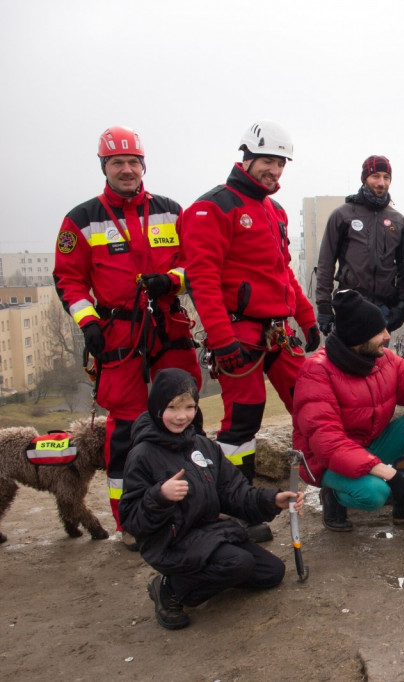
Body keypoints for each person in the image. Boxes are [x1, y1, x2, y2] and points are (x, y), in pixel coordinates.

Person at [52, 126, 202, 549]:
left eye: (133, 162)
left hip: (168, 324)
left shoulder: (172, 211)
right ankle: (130, 522)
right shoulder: (82, 220)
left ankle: (196, 505)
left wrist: (170, 280)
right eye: (117, 162)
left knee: (187, 416)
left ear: (143, 166)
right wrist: (89, 323)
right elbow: (68, 279)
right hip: (118, 332)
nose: (126, 169)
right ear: (104, 167)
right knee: (126, 431)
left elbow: (199, 264)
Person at [180, 120, 317, 542]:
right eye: (267, 162)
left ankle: (331, 485)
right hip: (238, 332)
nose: (274, 171)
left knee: (312, 402)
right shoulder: (211, 208)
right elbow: (202, 280)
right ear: (247, 157)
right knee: (242, 421)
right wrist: (222, 341)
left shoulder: (273, 211)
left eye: (280, 164)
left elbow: (283, 274)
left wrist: (307, 318)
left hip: (277, 331)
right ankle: (234, 506)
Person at [120, 368, 303, 630]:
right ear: (157, 407)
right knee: (238, 563)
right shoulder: (142, 454)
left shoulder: (202, 445)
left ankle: (212, 573)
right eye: (172, 407)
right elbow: (131, 520)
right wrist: (159, 497)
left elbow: (234, 492)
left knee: (271, 573)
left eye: (189, 407)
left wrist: (273, 500)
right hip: (171, 541)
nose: (181, 416)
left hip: (209, 533)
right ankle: (169, 588)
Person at [293, 290, 404, 532]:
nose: (387, 337)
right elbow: (328, 445)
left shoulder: (383, 359)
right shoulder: (316, 372)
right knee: (375, 493)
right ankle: (333, 496)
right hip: (324, 461)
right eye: (380, 332)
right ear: (359, 336)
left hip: (368, 445)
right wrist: (391, 475)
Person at [314, 155, 404, 335]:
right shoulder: (343, 215)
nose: (381, 182)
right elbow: (325, 263)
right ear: (364, 178)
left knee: (378, 363)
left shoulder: (398, 221)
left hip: (383, 310)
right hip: (349, 305)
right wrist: (324, 306)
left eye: (386, 177)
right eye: (375, 176)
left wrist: (402, 305)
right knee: (345, 361)